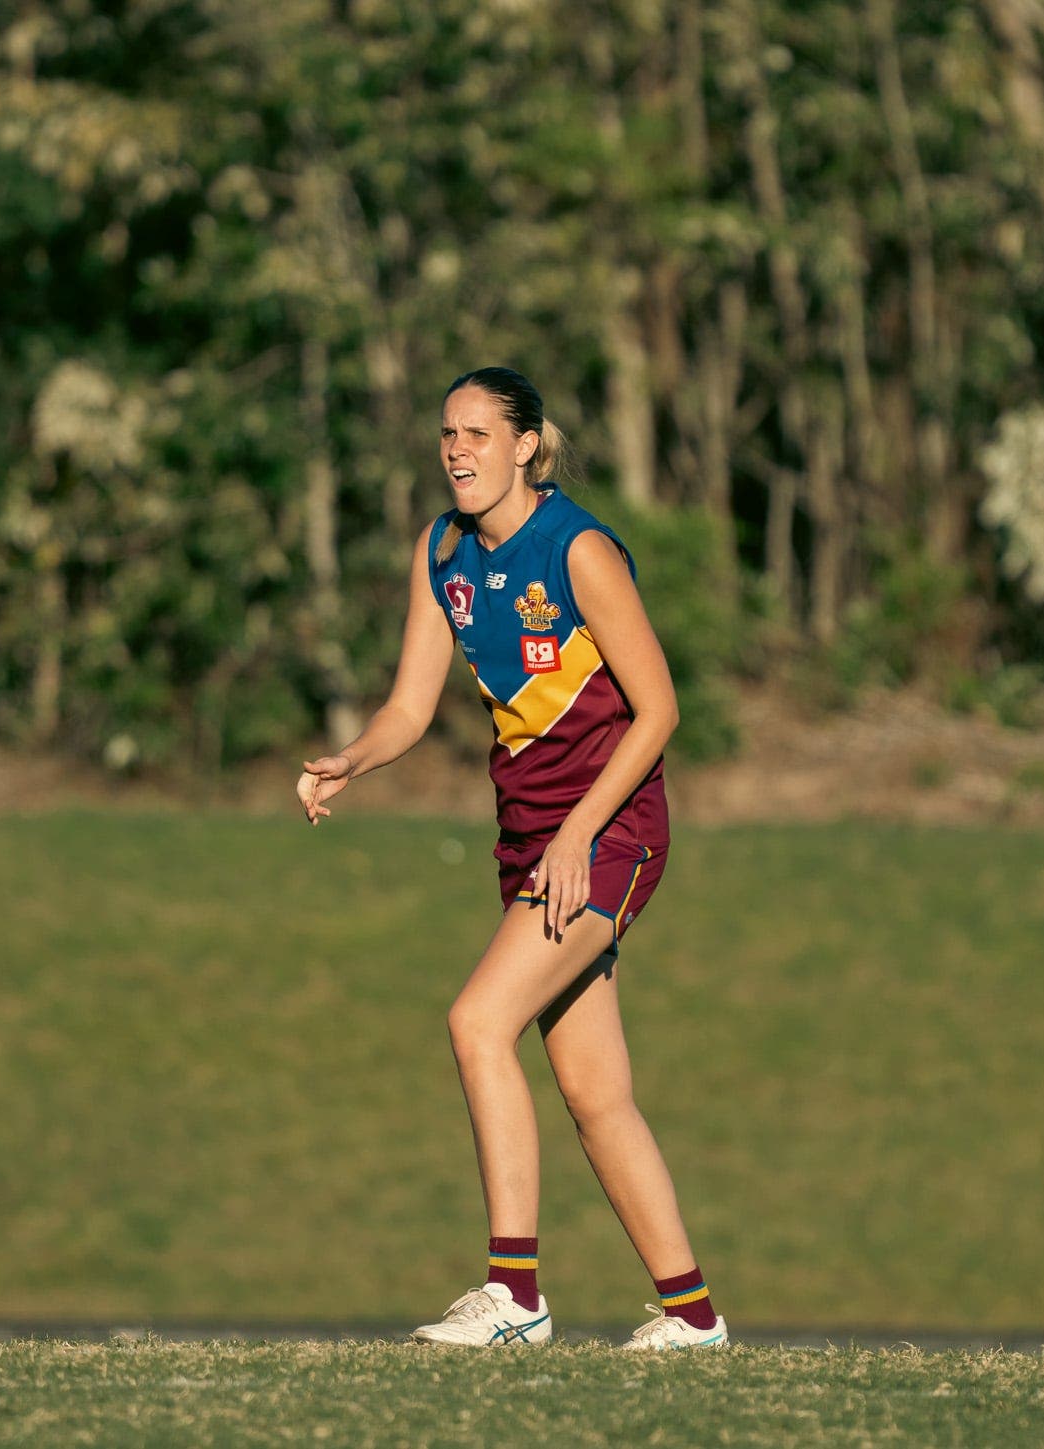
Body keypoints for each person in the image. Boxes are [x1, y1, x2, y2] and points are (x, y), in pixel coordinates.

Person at [297, 367, 726, 1350]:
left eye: (479, 433)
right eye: (446, 434)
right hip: (530, 838)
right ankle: (692, 1317)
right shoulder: (440, 550)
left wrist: (578, 834)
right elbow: (409, 707)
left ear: (526, 445)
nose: (456, 449)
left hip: (610, 833)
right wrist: (349, 761)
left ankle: (514, 1297)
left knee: (476, 1022)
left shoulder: (574, 550)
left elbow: (658, 709)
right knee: (590, 1089)